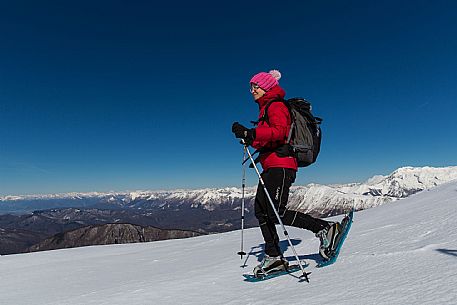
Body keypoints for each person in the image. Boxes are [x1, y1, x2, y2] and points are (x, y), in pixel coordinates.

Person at [232, 69, 342, 275]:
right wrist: (250, 137)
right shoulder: (266, 108)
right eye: (251, 87)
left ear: (266, 87)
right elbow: (270, 138)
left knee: (276, 211)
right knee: (261, 211)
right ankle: (273, 257)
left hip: (281, 166)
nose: (252, 90)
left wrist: (251, 132)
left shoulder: (276, 105)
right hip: (271, 165)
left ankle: (325, 229)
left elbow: (280, 131)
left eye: (255, 86)